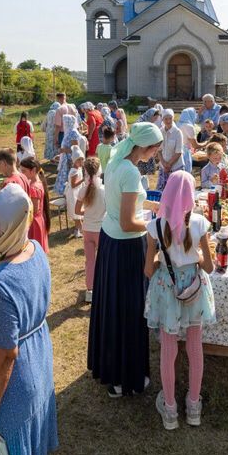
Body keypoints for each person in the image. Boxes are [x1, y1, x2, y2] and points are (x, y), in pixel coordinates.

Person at [0, 184, 59, 455]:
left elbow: (4, 357)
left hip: (12, 387)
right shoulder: (35, 250)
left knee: (6, 443)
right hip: (37, 362)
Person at [88, 121, 164, 397]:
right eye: (156, 149)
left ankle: (111, 369)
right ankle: (125, 377)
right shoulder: (131, 172)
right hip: (126, 247)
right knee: (129, 312)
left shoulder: (116, 162)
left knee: (112, 308)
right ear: (145, 146)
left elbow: (124, 204)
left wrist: (150, 205)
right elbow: (129, 221)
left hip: (110, 241)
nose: (156, 154)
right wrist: (157, 223)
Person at [143, 170, 216, 430]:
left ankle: (170, 408)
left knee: (168, 346)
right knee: (195, 345)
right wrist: (193, 257)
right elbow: (208, 266)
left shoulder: (155, 225)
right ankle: (194, 405)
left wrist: (162, 260)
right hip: (194, 288)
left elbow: (148, 270)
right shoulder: (199, 223)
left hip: (166, 288)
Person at [75, 157, 106, 304]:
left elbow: (77, 210)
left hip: (87, 229)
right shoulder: (104, 190)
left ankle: (90, 291)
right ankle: (103, 287)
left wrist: (86, 213)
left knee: (90, 261)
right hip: (101, 230)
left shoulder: (83, 190)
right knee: (103, 261)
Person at [18, 157, 50, 254]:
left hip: (34, 223)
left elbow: (34, 209)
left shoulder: (33, 188)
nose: (21, 174)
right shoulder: (38, 182)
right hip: (38, 221)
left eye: (24, 171)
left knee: (34, 250)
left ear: (33, 170)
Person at [158, 109, 185, 191]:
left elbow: (178, 152)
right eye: (166, 118)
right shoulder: (160, 131)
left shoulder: (177, 132)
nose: (168, 120)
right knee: (162, 192)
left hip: (176, 166)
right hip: (163, 166)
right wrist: (164, 164)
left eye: (170, 118)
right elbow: (159, 150)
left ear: (173, 118)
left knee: (175, 192)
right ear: (162, 119)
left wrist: (168, 165)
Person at [55, 115, 81, 196]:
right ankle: (66, 196)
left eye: (65, 122)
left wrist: (64, 150)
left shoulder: (73, 132)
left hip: (70, 161)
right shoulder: (69, 131)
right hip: (66, 159)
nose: (63, 124)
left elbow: (75, 149)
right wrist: (61, 154)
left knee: (69, 179)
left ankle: (69, 197)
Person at [67, 147, 87, 239]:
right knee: (77, 215)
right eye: (79, 160)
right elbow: (73, 185)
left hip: (77, 193)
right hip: (74, 194)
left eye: (82, 159)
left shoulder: (78, 169)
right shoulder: (74, 171)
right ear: (75, 161)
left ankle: (77, 230)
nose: (82, 162)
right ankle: (83, 232)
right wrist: (83, 179)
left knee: (78, 214)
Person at [178, 107, 199, 173]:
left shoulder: (177, 124)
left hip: (177, 152)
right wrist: (206, 143)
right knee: (186, 173)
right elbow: (195, 145)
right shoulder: (189, 126)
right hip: (185, 153)